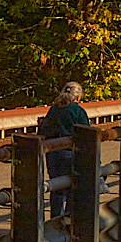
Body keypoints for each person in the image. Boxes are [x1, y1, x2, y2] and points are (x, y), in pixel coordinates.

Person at [38, 81, 89, 216]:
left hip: (52, 152)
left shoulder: (54, 109)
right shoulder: (78, 111)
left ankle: (56, 219)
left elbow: (44, 129)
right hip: (70, 152)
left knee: (56, 187)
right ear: (78, 97)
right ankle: (68, 220)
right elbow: (86, 134)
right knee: (73, 186)